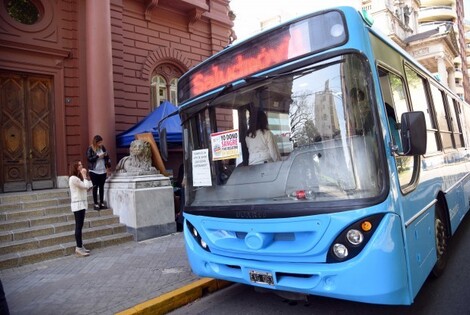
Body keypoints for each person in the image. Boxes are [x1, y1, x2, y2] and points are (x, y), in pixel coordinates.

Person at [69, 160, 93, 257]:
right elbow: (86, 186)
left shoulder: (77, 178)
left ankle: (81, 246)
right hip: (78, 205)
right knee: (78, 226)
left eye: (81, 164)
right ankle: (78, 248)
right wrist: (84, 175)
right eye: (79, 165)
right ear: (75, 167)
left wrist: (85, 178)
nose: (81, 166)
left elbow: (88, 186)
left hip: (81, 204)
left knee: (80, 225)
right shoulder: (73, 178)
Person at [86, 135, 110, 210]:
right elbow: (89, 159)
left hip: (102, 170)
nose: (100, 144)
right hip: (94, 171)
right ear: (95, 142)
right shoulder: (90, 148)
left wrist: (106, 155)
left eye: (101, 142)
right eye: (99, 142)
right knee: (95, 187)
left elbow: (107, 157)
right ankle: (96, 203)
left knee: (102, 187)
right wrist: (97, 156)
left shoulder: (102, 147)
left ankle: (102, 203)